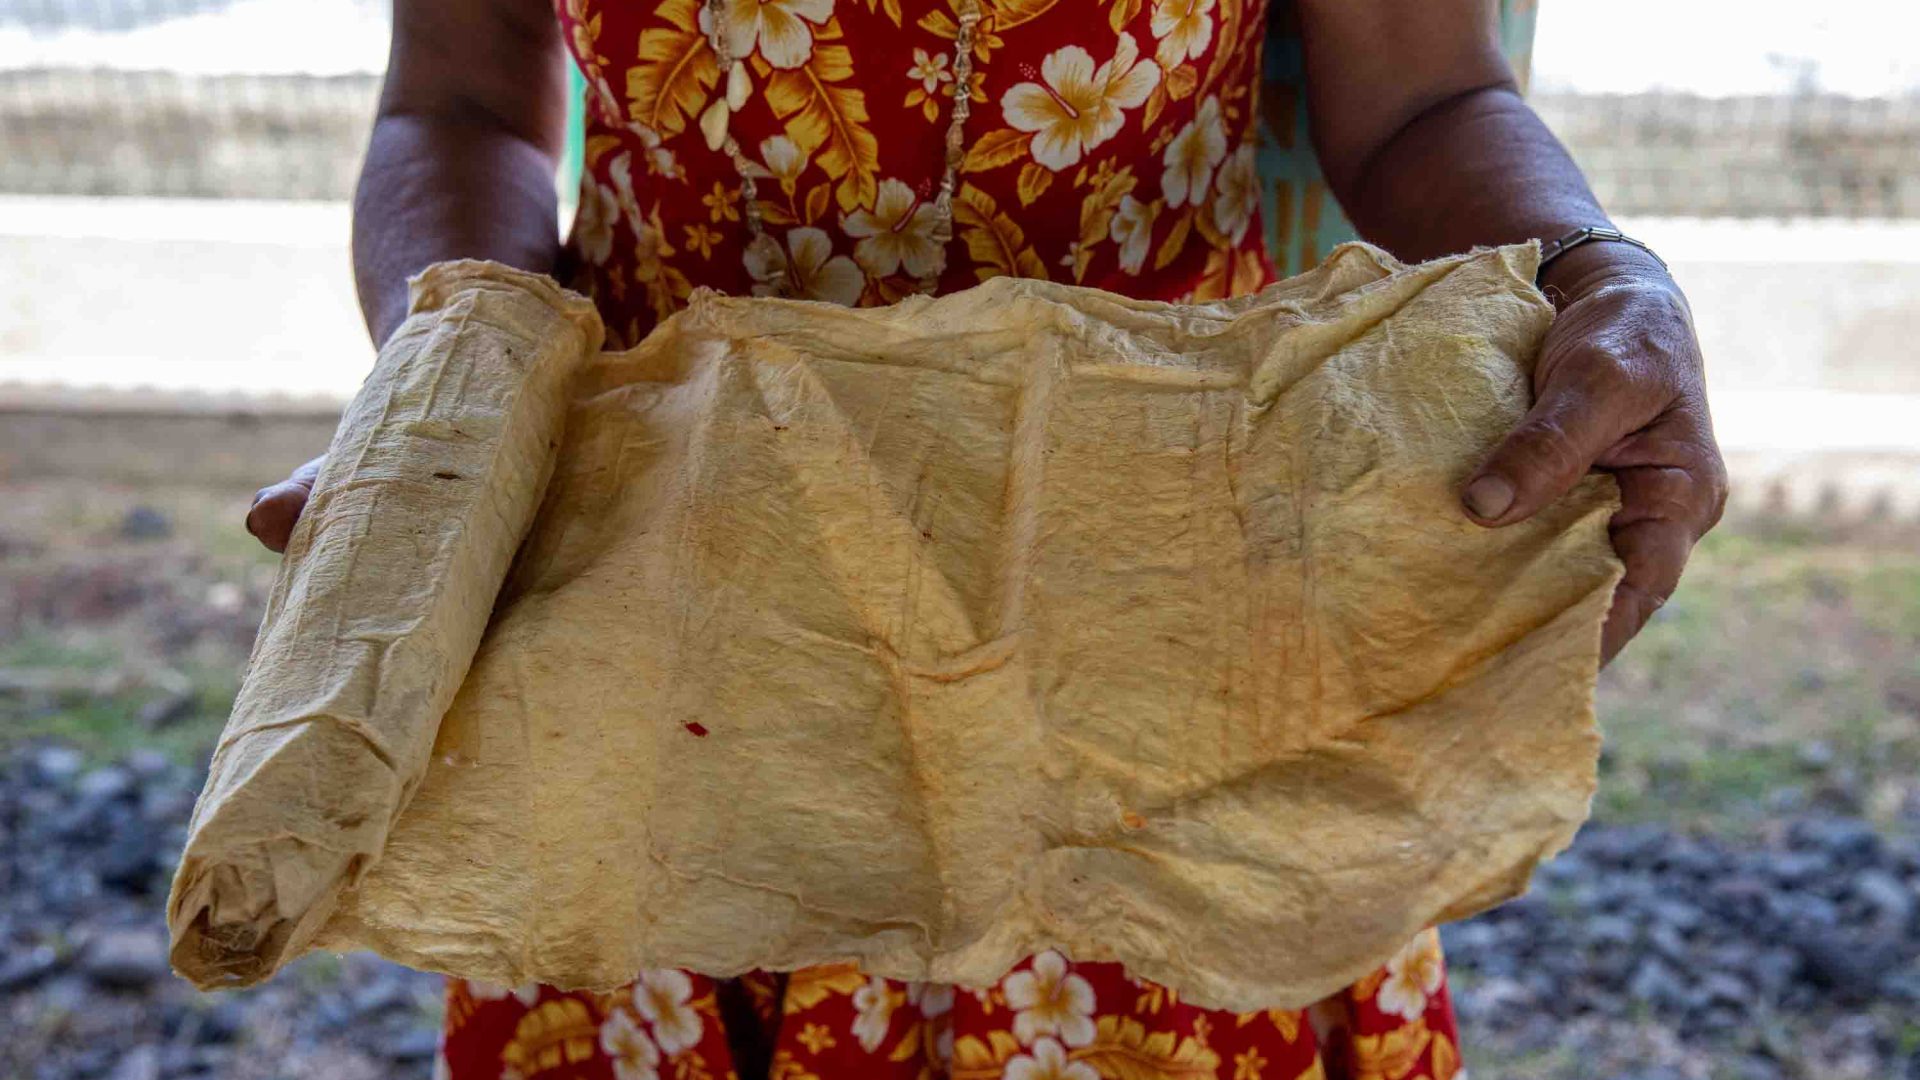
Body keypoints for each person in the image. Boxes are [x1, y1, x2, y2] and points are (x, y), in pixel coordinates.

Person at [244, 0, 1727, 1075]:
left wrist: (1599, 266)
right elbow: (460, 101)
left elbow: (1422, 96)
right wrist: (450, 406)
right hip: (670, 606)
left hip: (1155, 610)